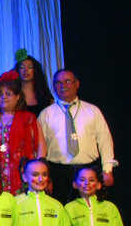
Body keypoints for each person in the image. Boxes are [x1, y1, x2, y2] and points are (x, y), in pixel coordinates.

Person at [38, 69, 117, 202]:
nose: (63, 85)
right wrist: (44, 175)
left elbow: (105, 141)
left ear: (77, 84)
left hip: (88, 172)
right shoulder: (46, 114)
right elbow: (40, 147)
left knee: (90, 210)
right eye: (58, 83)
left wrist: (107, 170)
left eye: (67, 81)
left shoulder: (92, 111)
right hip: (58, 174)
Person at [0, 71, 44, 194]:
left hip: (22, 174)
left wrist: (39, 170)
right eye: (0, 94)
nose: (3, 97)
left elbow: (41, 146)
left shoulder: (28, 118)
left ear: (17, 96)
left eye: (8, 94)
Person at [14, 49, 54, 117]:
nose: (25, 70)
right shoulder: (13, 93)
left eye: (30, 67)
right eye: (22, 67)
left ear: (35, 70)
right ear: (18, 70)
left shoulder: (45, 94)